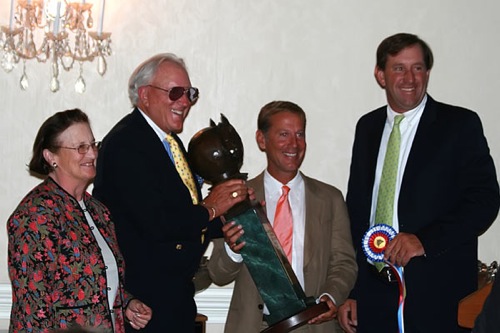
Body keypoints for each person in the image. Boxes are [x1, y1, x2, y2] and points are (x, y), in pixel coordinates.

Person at [338, 33, 500, 333]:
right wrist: (353, 290)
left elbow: (485, 200)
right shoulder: (367, 128)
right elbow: (359, 211)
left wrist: (425, 240)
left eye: (418, 68)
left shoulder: (460, 125)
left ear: (427, 72)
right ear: (380, 75)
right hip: (373, 296)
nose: (409, 77)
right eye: (398, 68)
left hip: (438, 294)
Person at [93, 53, 250, 333]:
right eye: (175, 92)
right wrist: (212, 207)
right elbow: (157, 223)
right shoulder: (126, 144)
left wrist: (224, 222)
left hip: (175, 300)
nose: (185, 101)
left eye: (191, 93)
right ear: (144, 96)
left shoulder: (170, 142)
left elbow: (183, 215)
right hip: (142, 307)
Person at [208, 101, 358, 332]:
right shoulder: (236, 199)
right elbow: (218, 274)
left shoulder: (330, 199)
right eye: (283, 134)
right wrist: (233, 250)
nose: (294, 144)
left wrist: (331, 296)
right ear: (261, 140)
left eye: (300, 134)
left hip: (315, 325)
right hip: (254, 326)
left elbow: (344, 263)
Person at [7, 109, 152, 333]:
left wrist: (127, 303)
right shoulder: (34, 216)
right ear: (51, 157)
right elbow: (31, 313)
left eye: (93, 145)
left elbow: (96, 283)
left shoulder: (98, 211)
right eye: (80, 147)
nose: (93, 154)